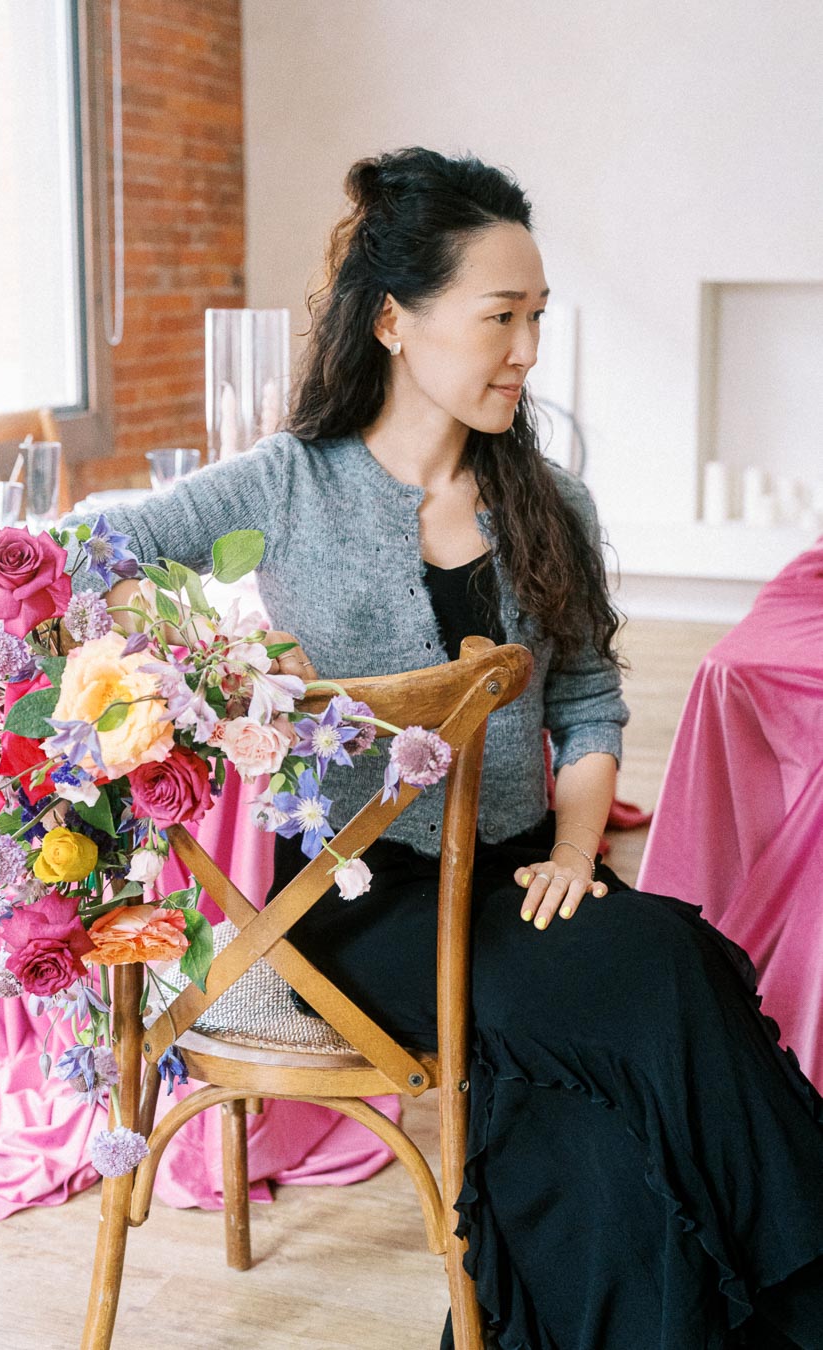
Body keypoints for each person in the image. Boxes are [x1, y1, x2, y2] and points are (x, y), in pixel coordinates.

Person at [73, 147, 823, 1349]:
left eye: (538, 317)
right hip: (353, 899)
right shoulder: (287, 484)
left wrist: (575, 850)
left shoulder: (550, 500)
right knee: (664, 972)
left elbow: (589, 699)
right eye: (501, 316)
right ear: (395, 322)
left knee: (597, 1079)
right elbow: (86, 556)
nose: (527, 349)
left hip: (525, 877)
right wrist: (198, 668)